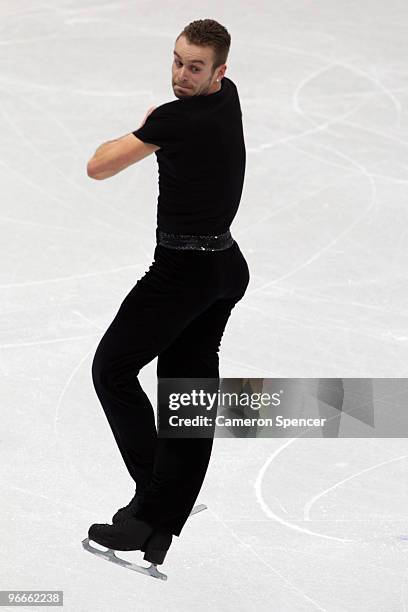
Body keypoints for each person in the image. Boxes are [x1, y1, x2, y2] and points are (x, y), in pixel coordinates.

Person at [86, 18, 250, 568]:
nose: (182, 73)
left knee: (111, 368)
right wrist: (160, 125)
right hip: (223, 267)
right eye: (177, 61)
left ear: (220, 70)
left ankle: (157, 502)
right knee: (186, 396)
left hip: (183, 271)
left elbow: (98, 167)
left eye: (195, 67)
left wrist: (152, 125)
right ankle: (156, 527)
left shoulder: (175, 119)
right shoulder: (226, 100)